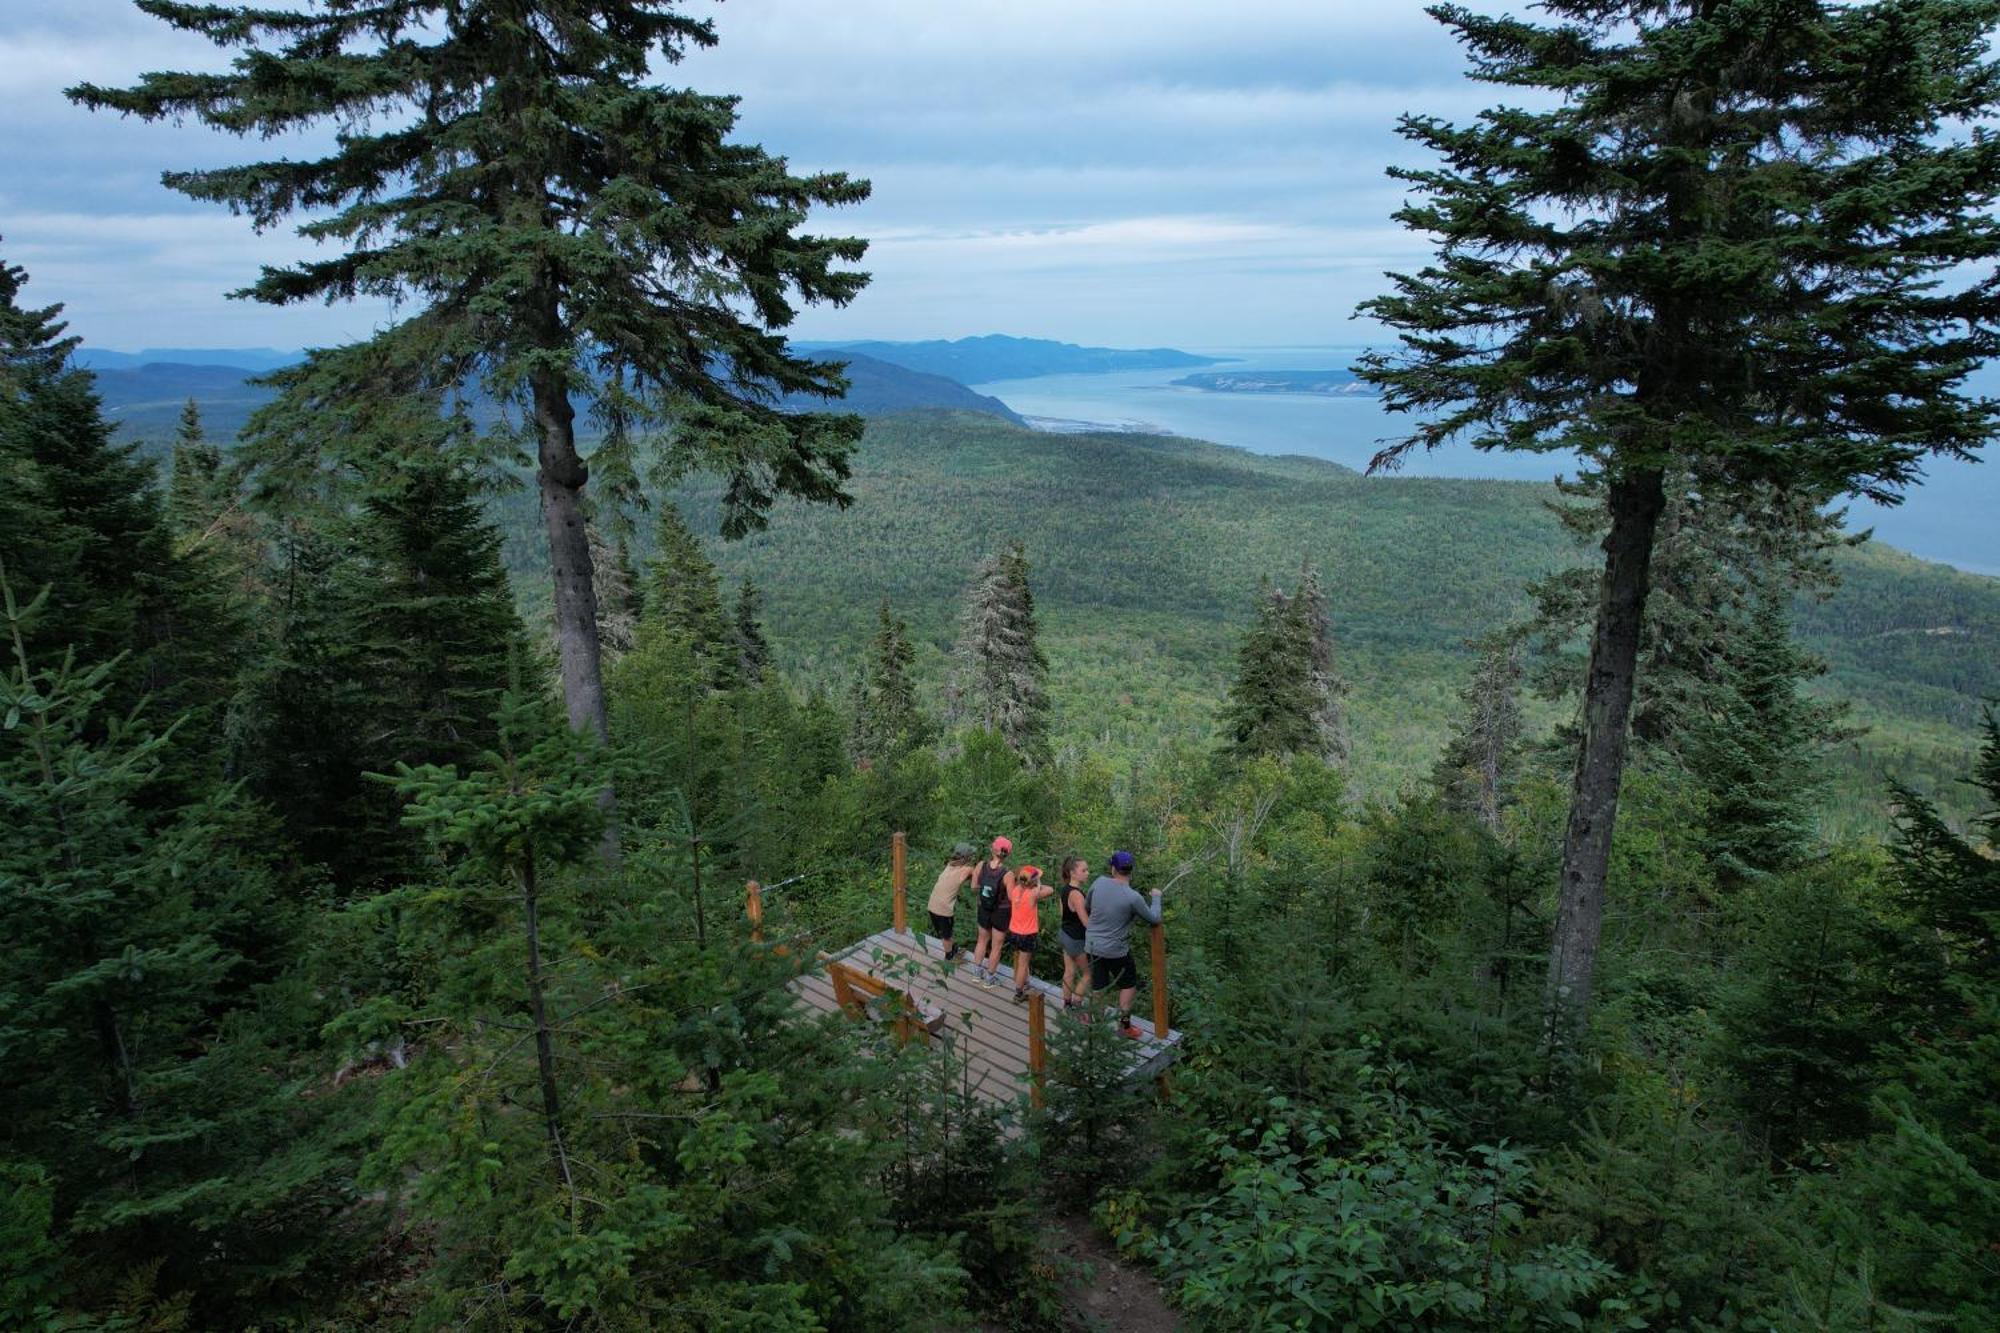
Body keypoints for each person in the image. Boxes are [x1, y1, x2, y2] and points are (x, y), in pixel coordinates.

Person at [1083, 850, 1162, 1038]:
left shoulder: (1098, 883)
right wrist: (1157, 897)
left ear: (1113, 869)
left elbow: (1087, 906)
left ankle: (1097, 1026)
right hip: (1116, 951)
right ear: (1131, 871)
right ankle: (1125, 1027)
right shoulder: (1133, 897)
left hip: (1092, 946)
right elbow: (1155, 919)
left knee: (1098, 987)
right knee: (1128, 985)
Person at [1005, 864, 1055, 1003]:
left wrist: (1032, 883)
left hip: (1014, 931)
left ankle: (1022, 982)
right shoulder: (1033, 893)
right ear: (1032, 881)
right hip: (1027, 934)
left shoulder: (1015, 891)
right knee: (1023, 963)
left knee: (1021, 961)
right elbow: (1050, 890)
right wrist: (1038, 884)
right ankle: (1019, 992)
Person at [971, 836, 1015, 987]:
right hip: (1001, 912)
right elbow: (1011, 897)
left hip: (984, 907)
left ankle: (976, 972)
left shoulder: (981, 866)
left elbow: (973, 887)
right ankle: (990, 978)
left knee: (982, 940)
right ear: (1007, 854)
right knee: (996, 946)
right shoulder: (1007, 874)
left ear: (993, 849)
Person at [926, 842, 978, 960]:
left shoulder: (949, 866)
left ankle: (953, 948)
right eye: (971, 855)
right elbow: (975, 874)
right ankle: (949, 958)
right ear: (966, 858)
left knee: (944, 933)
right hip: (944, 910)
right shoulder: (967, 870)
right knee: (947, 936)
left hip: (932, 905)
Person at [1056, 855, 1092, 1010]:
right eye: (1083, 870)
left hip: (1065, 934)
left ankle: (1067, 1004)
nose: (1087, 873)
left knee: (1069, 971)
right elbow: (1086, 922)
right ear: (1072, 873)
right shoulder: (1076, 894)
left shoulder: (1064, 890)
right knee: (1089, 974)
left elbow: (1062, 913)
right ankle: (1077, 1003)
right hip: (1076, 939)